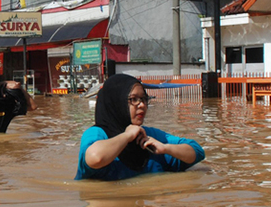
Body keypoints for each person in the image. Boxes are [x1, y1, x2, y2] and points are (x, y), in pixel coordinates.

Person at [75, 73, 204, 180]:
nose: (142, 105)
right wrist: (127, 136)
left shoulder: (149, 136)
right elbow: (95, 158)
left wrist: (166, 148)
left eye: (144, 99)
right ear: (116, 103)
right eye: (133, 99)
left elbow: (197, 152)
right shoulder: (97, 134)